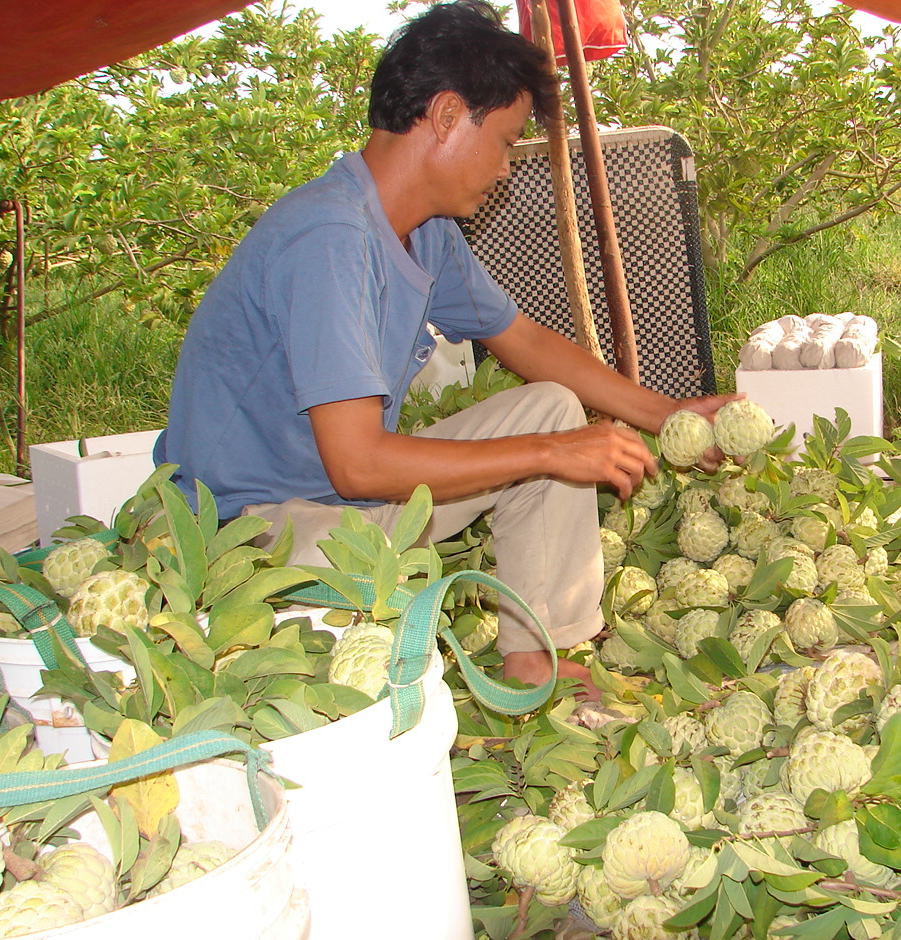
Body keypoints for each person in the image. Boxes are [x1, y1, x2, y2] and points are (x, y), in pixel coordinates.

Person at [155, 0, 737, 699]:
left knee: (551, 408)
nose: (504, 169)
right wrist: (553, 454)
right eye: (503, 141)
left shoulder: (423, 232)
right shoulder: (329, 238)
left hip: (341, 509)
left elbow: (523, 339)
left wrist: (669, 412)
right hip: (246, 536)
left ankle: (534, 651)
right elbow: (359, 461)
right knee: (542, 448)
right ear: (446, 116)